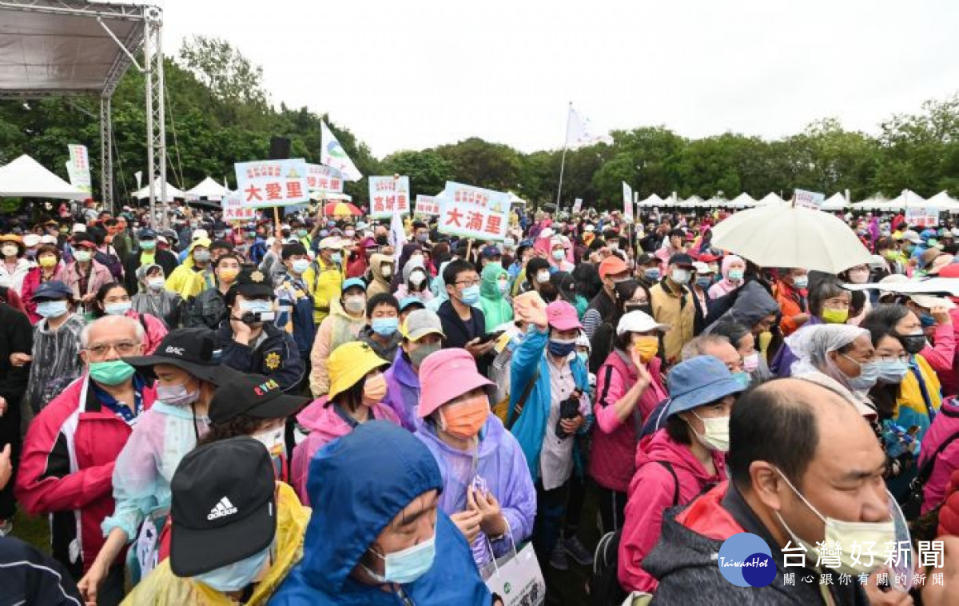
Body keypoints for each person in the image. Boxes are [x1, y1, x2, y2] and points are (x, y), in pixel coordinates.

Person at [642, 378, 907, 605]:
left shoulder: (800, 533)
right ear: (769, 484)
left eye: (878, 476)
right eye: (850, 484)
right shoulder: (722, 594)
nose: (879, 509)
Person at [77, 328, 239, 600]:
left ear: (201, 376)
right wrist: (101, 564)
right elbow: (133, 501)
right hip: (176, 551)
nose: (159, 388)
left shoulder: (241, 415)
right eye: (158, 378)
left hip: (240, 546)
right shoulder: (156, 423)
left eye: (167, 378)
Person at [271, 421, 492, 604]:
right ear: (354, 536)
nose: (429, 537)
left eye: (433, 509)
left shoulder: (443, 532)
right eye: (408, 528)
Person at [16, 316, 155, 604]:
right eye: (100, 349)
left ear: (143, 349)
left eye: (124, 346)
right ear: (84, 357)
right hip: (94, 550)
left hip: (163, 536)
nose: (112, 356)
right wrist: (115, 473)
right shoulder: (59, 416)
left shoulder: (165, 394)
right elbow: (34, 493)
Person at [121, 437, 309, 604]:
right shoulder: (170, 585)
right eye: (210, 556)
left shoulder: (311, 550)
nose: (228, 566)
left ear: (275, 500)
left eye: (242, 548)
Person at [619, 355, 743, 594]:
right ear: (686, 413)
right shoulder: (657, 480)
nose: (728, 418)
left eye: (732, 407)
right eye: (717, 408)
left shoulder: (717, 456)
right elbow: (634, 569)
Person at [415, 347, 537, 570]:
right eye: (455, 398)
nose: (468, 404)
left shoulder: (504, 445)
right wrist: (442, 537)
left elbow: (525, 510)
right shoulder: (416, 460)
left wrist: (499, 524)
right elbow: (400, 546)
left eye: (474, 393)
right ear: (432, 408)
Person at [507, 297, 591, 563]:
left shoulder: (577, 364)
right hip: (531, 458)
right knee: (526, 517)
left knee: (553, 511)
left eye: (571, 333)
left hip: (562, 456)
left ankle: (546, 557)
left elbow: (585, 398)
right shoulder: (532, 365)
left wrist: (580, 422)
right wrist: (539, 332)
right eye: (559, 332)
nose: (565, 339)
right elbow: (523, 360)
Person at [590, 310, 669, 535]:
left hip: (644, 467)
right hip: (619, 472)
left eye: (654, 333)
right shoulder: (613, 370)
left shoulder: (651, 365)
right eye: (643, 334)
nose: (652, 339)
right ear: (626, 339)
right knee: (618, 534)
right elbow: (605, 421)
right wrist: (641, 385)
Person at [291, 341, 399, 505]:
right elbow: (313, 500)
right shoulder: (317, 443)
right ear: (349, 382)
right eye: (370, 373)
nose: (379, 378)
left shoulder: (388, 415)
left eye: (378, 371)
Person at [216, 268, 305, 393]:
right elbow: (223, 379)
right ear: (231, 304)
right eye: (250, 299)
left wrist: (258, 392)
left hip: (267, 406)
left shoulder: (281, 339)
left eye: (264, 299)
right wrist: (242, 336)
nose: (258, 304)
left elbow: (290, 377)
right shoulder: (215, 339)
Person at [22, 281, 86, 415]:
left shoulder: (81, 329)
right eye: (43, 300)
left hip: (70, 401)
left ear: (68, 302)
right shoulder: (37, 328)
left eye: (54, 299)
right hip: (38, 399)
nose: (48, 303)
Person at [381, 309, 444, 431]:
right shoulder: (387, 384)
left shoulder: (450, 375)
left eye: (435, 340)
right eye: (420, 341)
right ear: (405, 345)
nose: (428, 347)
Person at [0, 297, 31, 535]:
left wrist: (6, 397)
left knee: (4, 454)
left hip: (2, 402)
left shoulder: (14, 319)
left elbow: (21, 364)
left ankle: (3, 513)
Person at [309, 277, 369, 396]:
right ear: (342, 298)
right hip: (336, 386)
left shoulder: (371, 320)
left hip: (366, 387)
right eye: (350, 294)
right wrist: (321, 391)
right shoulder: (330, 323)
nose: (355, 297)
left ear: (365, 296)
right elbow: (319, 357)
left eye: (359, 293)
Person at [438, 259, 496, 372]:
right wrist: (465, 354)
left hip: (479, 380)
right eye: (467, 282)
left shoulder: (478, 314)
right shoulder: (439, 320)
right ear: (450, 288)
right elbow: (439, 360)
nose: (474, 287)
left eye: (476, 281)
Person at [92, 281, 168, 354]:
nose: (120, 303)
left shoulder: (146, 320)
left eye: (124, 298)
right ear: (100, 304)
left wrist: (144, 360)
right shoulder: (96, 329)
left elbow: (163, 343)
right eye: (113, 300)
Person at [275, 242, 317, 367]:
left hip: (309, 343)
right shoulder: (283, 288)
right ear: (287, 262)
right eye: (297, 258)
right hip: (297, 350)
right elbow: (282, 325)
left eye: (304, 257)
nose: (302, 261)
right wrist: (291, 351)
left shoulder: (304, 283)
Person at [649, 253, 696, 363]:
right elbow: (648, 333)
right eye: (681, 268)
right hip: (664, 361)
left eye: (688, 270)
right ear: (669, 269)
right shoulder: (653, 294)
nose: (685, 272)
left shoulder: (688, 293)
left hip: (687, 358)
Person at [183, 252, 241, 329]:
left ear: (239, 270)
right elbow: (195, 323)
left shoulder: (246, 295)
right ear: (216, 271)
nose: (229, 269)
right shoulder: (203, 297)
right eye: (225, 266)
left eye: (234, 266)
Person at [62, 232, 113, 316]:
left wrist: (94, 295)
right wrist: (71, 298)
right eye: (78, 250)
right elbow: (63, 290)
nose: (81, 252)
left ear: (93, 253)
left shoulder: (103, 269)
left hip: (96, 310)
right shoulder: (67, 269)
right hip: (72, 311)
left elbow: (109, 289)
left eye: (86, 250)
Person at [582, 254, 631, 339]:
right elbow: (587, 344)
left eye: (625, 275)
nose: (623, 279)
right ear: (605, 279)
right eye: (618, 275)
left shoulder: (625, 300)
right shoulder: (594, 312)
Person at [122, 228, 178, 294]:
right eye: (144, 239)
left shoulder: (169, 257)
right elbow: (128, 281)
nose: (147, 241)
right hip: (140, 298)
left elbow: (175, 278)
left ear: (156, 240)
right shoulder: (132, 260)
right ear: (139, 241)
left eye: (150, 239)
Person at [20, 243, 65, 323]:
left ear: (57, 257)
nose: (46, 258)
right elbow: (25, 296)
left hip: (60, 313)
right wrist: (37, 308)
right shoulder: (30, 275)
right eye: (42, 256)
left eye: (50, 255)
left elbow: (68, 294)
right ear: (38, 259)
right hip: (35, 314)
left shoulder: (65, 272)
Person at [131, 263, 183, 329]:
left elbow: (181, 321)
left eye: (160, 275)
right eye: (153, 276)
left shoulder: (174, 297)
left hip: (172, 336)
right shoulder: (136, 300)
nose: (158, 278)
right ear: (143, 280)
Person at [358, 293, 403, 363]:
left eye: (391, 314)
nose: (385, 318)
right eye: (379, 315)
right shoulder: (360, 346)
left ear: (398, 318)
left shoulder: (404, 343)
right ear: (368, 319)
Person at [773, 267, 810, 336]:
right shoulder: (775, 292)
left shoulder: (804, 292)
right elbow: (772, 323)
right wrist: (794, 321)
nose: (803, 277)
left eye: (805, 274)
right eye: (798, 274)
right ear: (784, 276)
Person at [479, 261, 514, 331]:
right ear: (489, 281)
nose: (503, 282)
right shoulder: (479, 304)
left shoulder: (504, 302)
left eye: (504, 278)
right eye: (499, 278)